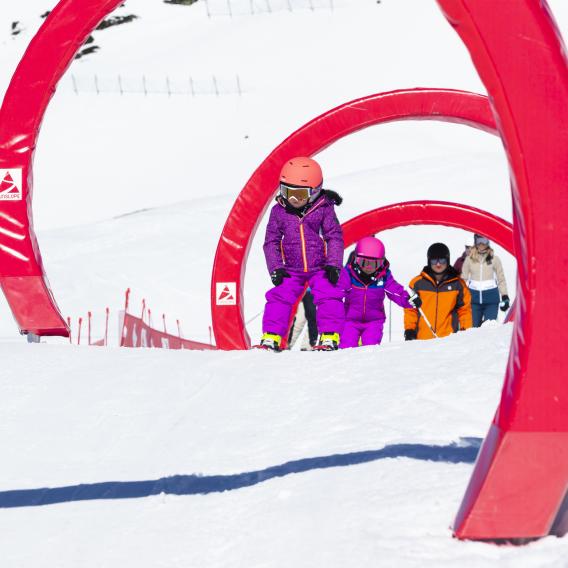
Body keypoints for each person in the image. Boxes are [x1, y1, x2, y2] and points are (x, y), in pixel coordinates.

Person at [257, 156, 348, 352]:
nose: (292, 199)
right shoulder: (279, 212)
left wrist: (333, 264)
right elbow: (271, 241)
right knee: (279, 297)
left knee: (329, 295)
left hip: (319, 267)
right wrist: (276, 268)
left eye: (299, 194)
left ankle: (329, 336)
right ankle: (271, 337)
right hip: (291, 269)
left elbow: (334, 237)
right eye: (287, 192)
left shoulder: (323, 209)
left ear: (314, 192)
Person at [340, 236, 419, 348]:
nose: (368, 267)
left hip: (374, 321)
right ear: (356, 259)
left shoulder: (383, 277)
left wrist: (409, 300)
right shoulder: (349, 274)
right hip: (350, 320)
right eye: (363, 262)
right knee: (347, 347)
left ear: (381, 263)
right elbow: (337, 290)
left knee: (370, 348)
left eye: (373, 264)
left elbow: (395, 291)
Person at [404, 242, 472, 340]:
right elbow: (411, 310)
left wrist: (466, 332)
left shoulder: (457, 285)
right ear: (429, 261)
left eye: (442, 260)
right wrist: (409, 330)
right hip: (422, 341)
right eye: (434, 260)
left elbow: (464, 311)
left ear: (447, 261)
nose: (438, 264)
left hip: (448, 341)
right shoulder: (417, 284)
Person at [460, 234, 510, 327]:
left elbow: (501, 279)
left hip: (491, 299)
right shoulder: (469, 259)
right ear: (475, 242)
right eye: (479, 241)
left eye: (484, 240)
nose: (481, 244)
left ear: (488, 241)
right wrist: (459, 296)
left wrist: (505, 296)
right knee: (473, 328)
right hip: (474, 300)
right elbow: (463, 280)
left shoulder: (494, 259)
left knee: (489, 328)